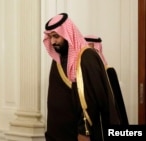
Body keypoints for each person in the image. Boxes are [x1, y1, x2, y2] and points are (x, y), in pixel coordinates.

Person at [43, 13, 122, 141]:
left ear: (67, 34)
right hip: (59, 133)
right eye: (50, 37)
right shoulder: (57, 60)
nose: (53, 42)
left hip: (80, 134)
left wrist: (84, 131)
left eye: (56, 36)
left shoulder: (87, 57)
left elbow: (90, 99)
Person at [85, 35, 129, 125]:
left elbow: (117, 103)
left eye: (93, 51)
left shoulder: (109, 72)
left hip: (107, 117)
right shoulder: (78, 73)